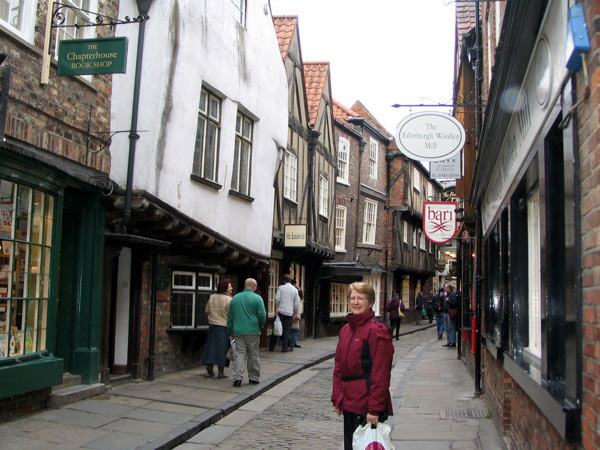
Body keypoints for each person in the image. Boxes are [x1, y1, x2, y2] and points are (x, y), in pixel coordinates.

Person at [331, 282, 394, 450]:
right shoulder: (345, 330)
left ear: (370, 302)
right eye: (353, 298)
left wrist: (375, 408)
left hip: (366, 403)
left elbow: (381, 372)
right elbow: (339, 367)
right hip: (349, 401)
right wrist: (337, 397)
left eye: (361, 298)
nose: (356, 302)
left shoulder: (377, 331)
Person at [227, 278, 266, 387]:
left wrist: (230, 330)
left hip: (238, 331)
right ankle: (253, 377)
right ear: (253, 287)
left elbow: (230, 317)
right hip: (253, 330)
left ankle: (237, 378)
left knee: (240, 354)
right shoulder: (258, 299)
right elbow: (262, 315)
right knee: (253, 354)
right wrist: (260, 325)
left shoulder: (235, 298)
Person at [202, 278, 233, 378]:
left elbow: (206, 310)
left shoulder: (212, 297)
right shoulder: (229, 299)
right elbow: (231, 314)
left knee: (211, 346)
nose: (231, 288)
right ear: (225, 288)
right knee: (222, 348)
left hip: (212, 325)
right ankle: (221, 372)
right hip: (223, 326)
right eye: (230, 286)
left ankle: (209, 365)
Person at [273, 274, 300, 352]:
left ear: (283, 280)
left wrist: (276, 309)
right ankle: (284, 348)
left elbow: (277, 298)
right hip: (289, 312)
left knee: (276, 328)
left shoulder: (281, 288)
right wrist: (295, 314)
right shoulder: (295, 290)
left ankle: (272, 347)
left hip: (280, 311)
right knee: (286, 331)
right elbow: (296, 303)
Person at [442, 283, 458, 348]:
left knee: (451, 327)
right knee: (446, 328)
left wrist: (448, 301)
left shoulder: (452, 294)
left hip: (450, 313)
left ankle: (453, 342)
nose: (445, 289)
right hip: (445, 312)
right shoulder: (446, 295)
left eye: (446, 288)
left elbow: (454, 303)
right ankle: (449, 341)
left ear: (449, 288)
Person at [290, 279, 303, 349]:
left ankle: (293, 343)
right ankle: (292, 344)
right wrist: (296, 315)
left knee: (294, 329)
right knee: (294, 330)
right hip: (295, 314)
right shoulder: (297, 297)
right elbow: (297, 306)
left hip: (296, 314)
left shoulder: (297, 297)